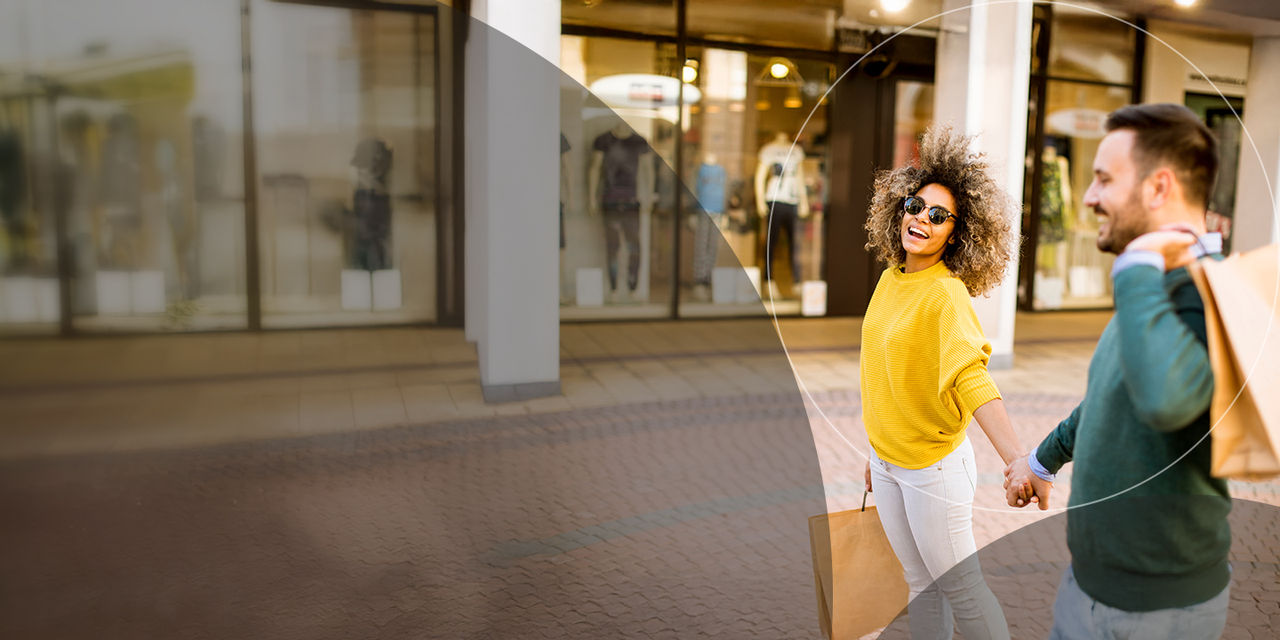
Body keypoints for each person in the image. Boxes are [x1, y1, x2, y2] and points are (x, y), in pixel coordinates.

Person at [1004, 103, 1230, 639]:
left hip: (1160, 613)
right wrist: (1043, 460)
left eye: (1104, 179)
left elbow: (1164, 400)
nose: (1088, 196)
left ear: (1158, 188)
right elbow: (1113, 394)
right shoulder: (1156, 283)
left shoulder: (1211, 296)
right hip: (1088, 589)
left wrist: (1135, 267)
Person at [861, 126, 1022, 640]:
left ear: (957, 233)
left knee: (961, 588)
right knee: (919, 584)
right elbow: (885, 373)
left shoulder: (946, 295)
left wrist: (1018, 458)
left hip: (933, 469)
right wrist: (876, 451)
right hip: (888, 463)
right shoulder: (892, 278)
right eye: (915, 206)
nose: (921, 220)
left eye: (938, 216)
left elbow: (970, 378)